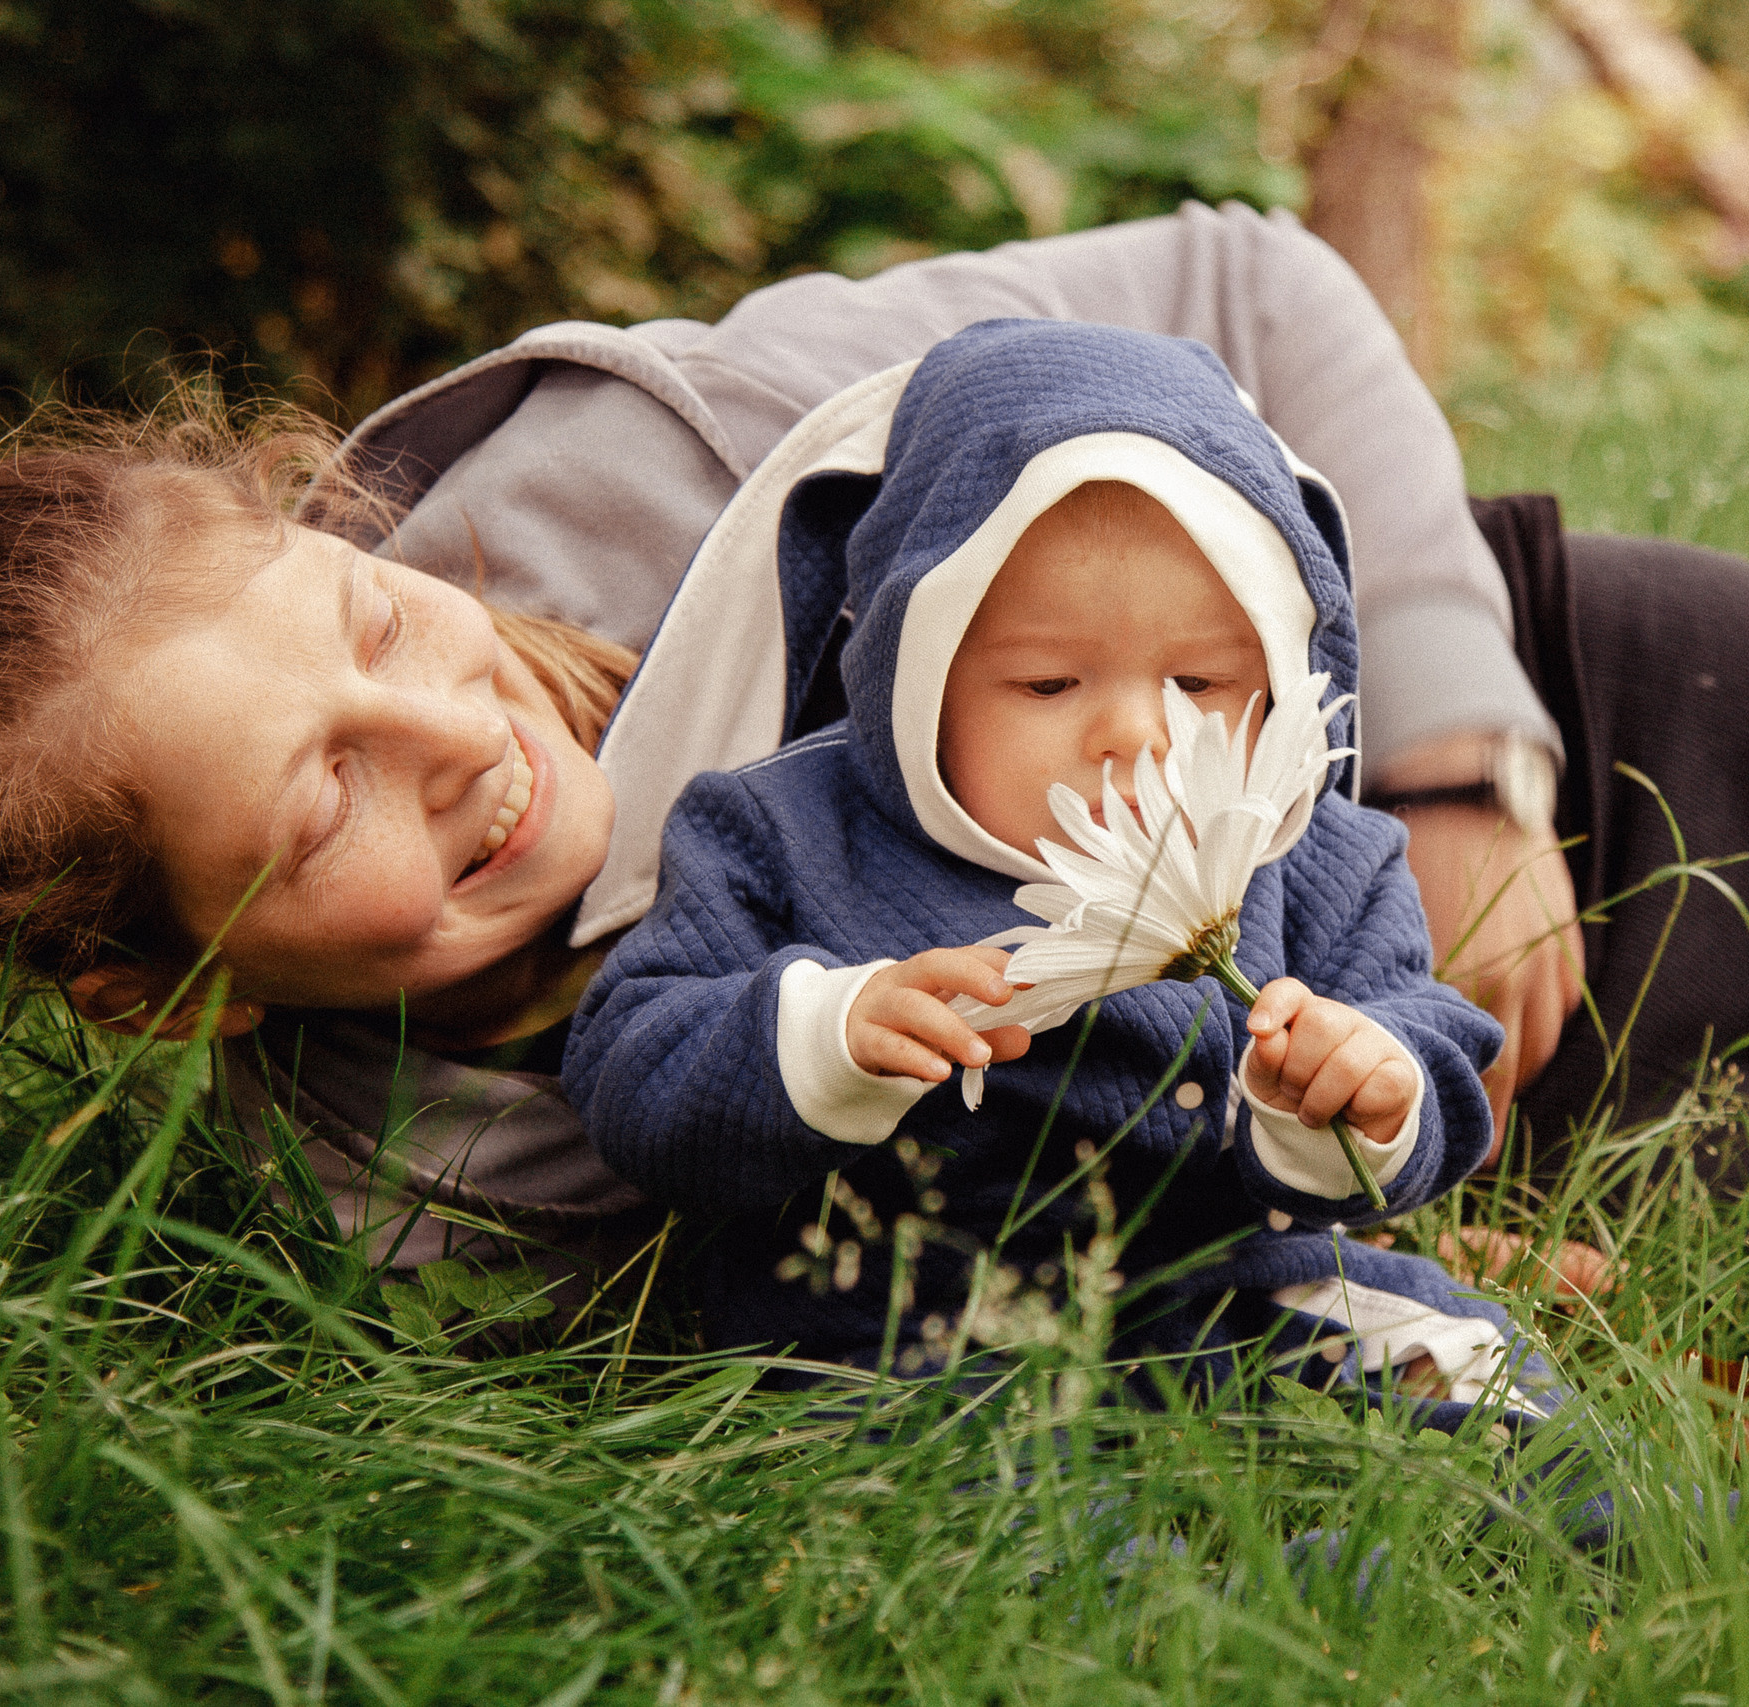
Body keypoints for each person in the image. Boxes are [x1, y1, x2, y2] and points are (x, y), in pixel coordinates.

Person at [0, 201, 1749, 1325]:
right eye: (314, 810)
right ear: (166, 986)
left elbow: (1246, 285)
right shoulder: (434, 1203)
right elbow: (903, 1308)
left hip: (1614, 741)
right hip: (1442, 1115)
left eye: (377, 624)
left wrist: (1448, 758)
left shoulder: (654, 455)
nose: (460, 736)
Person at [563, 318, 1532, 1396]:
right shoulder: (781, 832)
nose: (1137, 733)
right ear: (909, 676)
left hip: (1240, 1281)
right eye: (1047, 684)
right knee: (956, 1482)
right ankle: (1153, 1572)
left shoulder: (1318, 857)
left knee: (1455, 1368)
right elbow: (628, 1059)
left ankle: (1616, 1519)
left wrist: (1368, 1089)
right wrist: (820, 1036)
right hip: (911, 1311)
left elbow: (1431, 1044)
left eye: (1202, 683)